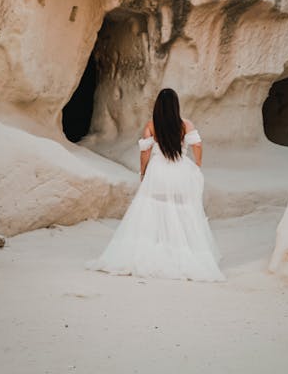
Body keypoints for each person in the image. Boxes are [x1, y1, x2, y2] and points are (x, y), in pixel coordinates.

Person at [88, 87, 224, 281]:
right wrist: (198, 165)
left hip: (158, 170)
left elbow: (144, 152)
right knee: (181, 209)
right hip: (180, 170)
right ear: (176, 106)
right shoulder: (186, 124)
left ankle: (155, 247)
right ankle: (179, 249)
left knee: (151, 208)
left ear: (158, 106)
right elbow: (197, 145)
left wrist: (143, 172)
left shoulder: (152, 125)